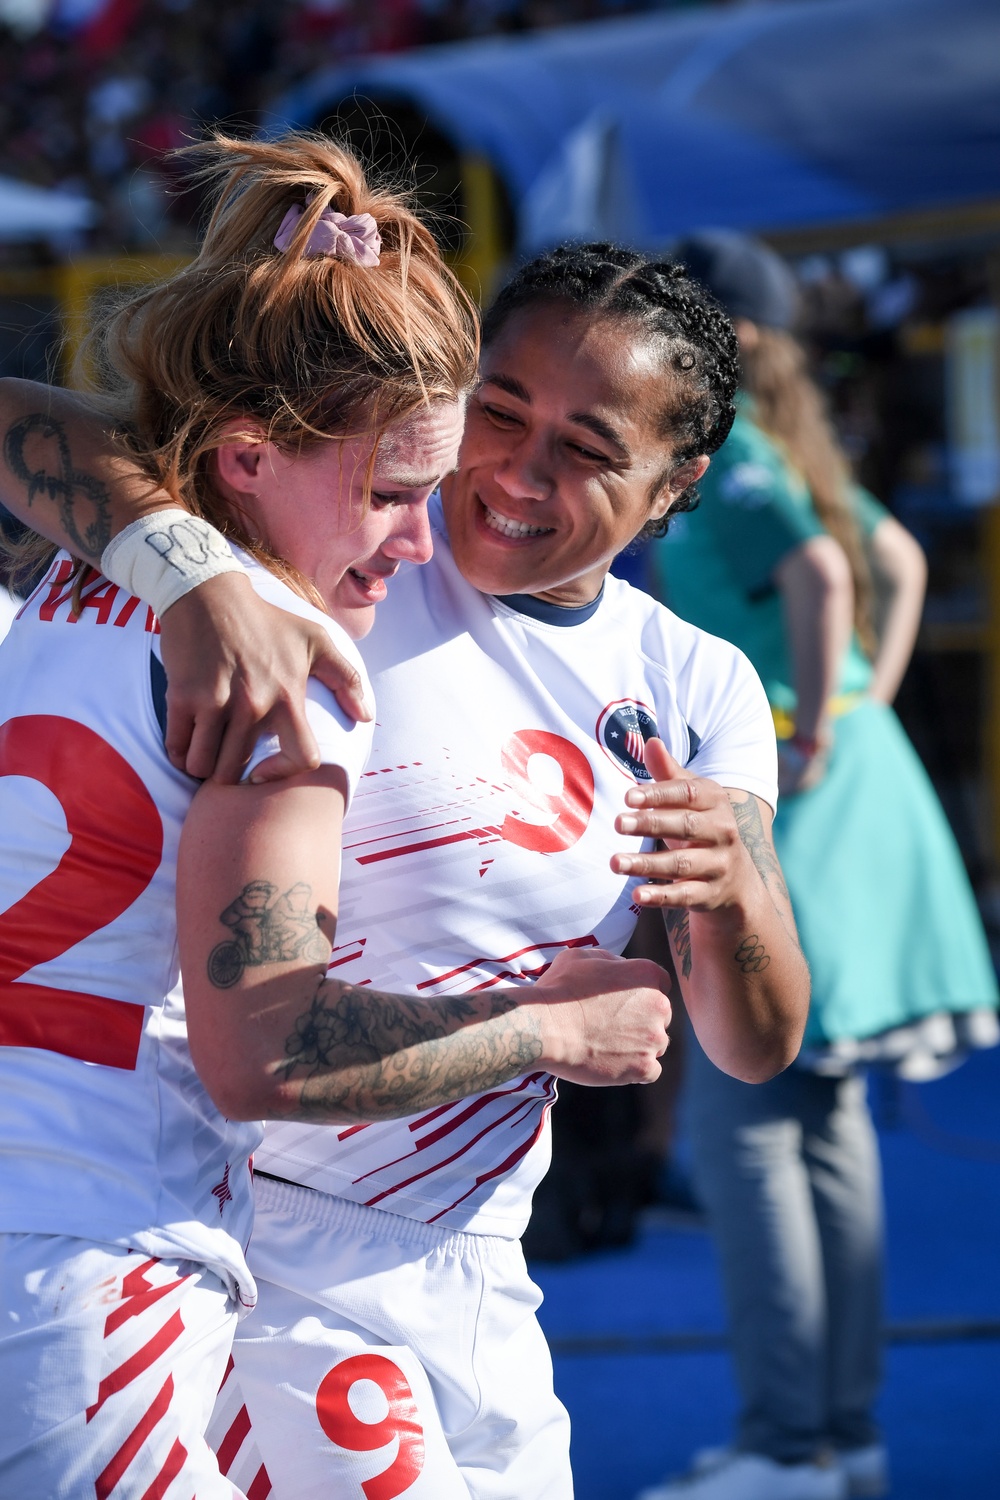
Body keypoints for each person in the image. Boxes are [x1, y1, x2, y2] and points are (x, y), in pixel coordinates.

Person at [0, 241, 811, 1499]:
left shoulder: (690, 682)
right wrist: (194, 564)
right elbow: (265, 1047)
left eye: (588, 449)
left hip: (481, 1248)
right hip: (264, 1240)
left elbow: (754, 1042)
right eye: (496, 411)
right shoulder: (327, 571)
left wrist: (739, 892)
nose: (506, 480)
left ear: (676, 481)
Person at [637, 232, 1000, 1500]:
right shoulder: (798, 438)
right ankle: (840, 1438)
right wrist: (858, 701)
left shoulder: (729, 445)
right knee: (826, 1128)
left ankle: (785, 1448)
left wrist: (814, 724)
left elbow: (825, 570)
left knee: (748, 1122)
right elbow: (884, 561)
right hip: (849, 781)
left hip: (797, 788)